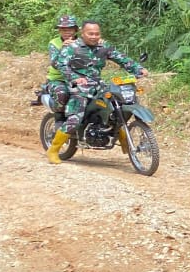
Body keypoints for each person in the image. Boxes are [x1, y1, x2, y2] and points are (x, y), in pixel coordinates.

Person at [46, 20, 148, 165]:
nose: (94, 36)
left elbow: (122, 59)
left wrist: (138, 69)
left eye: (97, 33)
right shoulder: (72, 47)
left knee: (114, 106)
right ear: (83, 34)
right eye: (90, 34)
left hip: (98, 84)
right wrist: (76, 78)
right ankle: (54, 150)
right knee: (76, 117)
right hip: (78, 87)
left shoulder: (103, 46)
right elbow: (60, 64)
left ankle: (124, 142)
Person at [32, 14, 78, 111]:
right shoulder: (54, 43)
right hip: (59, 79)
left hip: (81, 77)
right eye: (63, 30)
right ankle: (60, 119)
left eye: (69, 29)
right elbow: (55, 64)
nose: (67, 32)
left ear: (75, 30)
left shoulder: (82, 42)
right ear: (59, 31)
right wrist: (64, 48)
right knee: (62, 94)